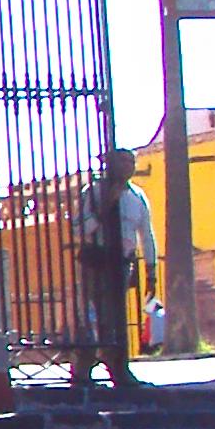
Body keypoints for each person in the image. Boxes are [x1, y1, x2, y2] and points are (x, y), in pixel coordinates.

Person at [68, 148, 158, 392]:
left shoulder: (137, 196)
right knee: (90, 316)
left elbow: (146, 234)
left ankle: (119, 368)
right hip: (96, 260)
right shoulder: (93, 193)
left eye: (132, 161)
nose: (129, 166)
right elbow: (79, 229)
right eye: (123, 161)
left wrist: (151, 269)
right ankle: (82, 371)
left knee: (116, 318)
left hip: (121, 263)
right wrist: (106, 206)